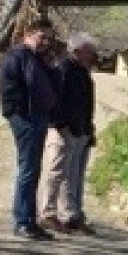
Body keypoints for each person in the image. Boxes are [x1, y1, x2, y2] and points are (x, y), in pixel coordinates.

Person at [0, 17, 59, 240]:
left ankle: (30, 221)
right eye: (42, 37)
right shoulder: (15, 57)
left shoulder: (39, 60)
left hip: (39, 117)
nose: (46, 42)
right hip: (25, 118)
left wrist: (52, 69)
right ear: (28, 33)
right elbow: (11, 89)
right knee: (27, 170)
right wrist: (16, 113)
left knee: (33, 171)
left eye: (49, 39)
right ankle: (22, 222)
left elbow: (52, 89)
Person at [39, 32, 99, 234]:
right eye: (90, 51)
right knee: (56, 172)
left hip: (79, 130)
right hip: (63, 130)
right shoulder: (63, 69)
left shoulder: (82, 72)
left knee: (73, 176)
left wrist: (88, 130)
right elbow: (53, 100)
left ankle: (70, 215)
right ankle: (48, 212)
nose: (93, 55)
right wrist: (60, 124)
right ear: (78, 51)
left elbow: (85, 103)